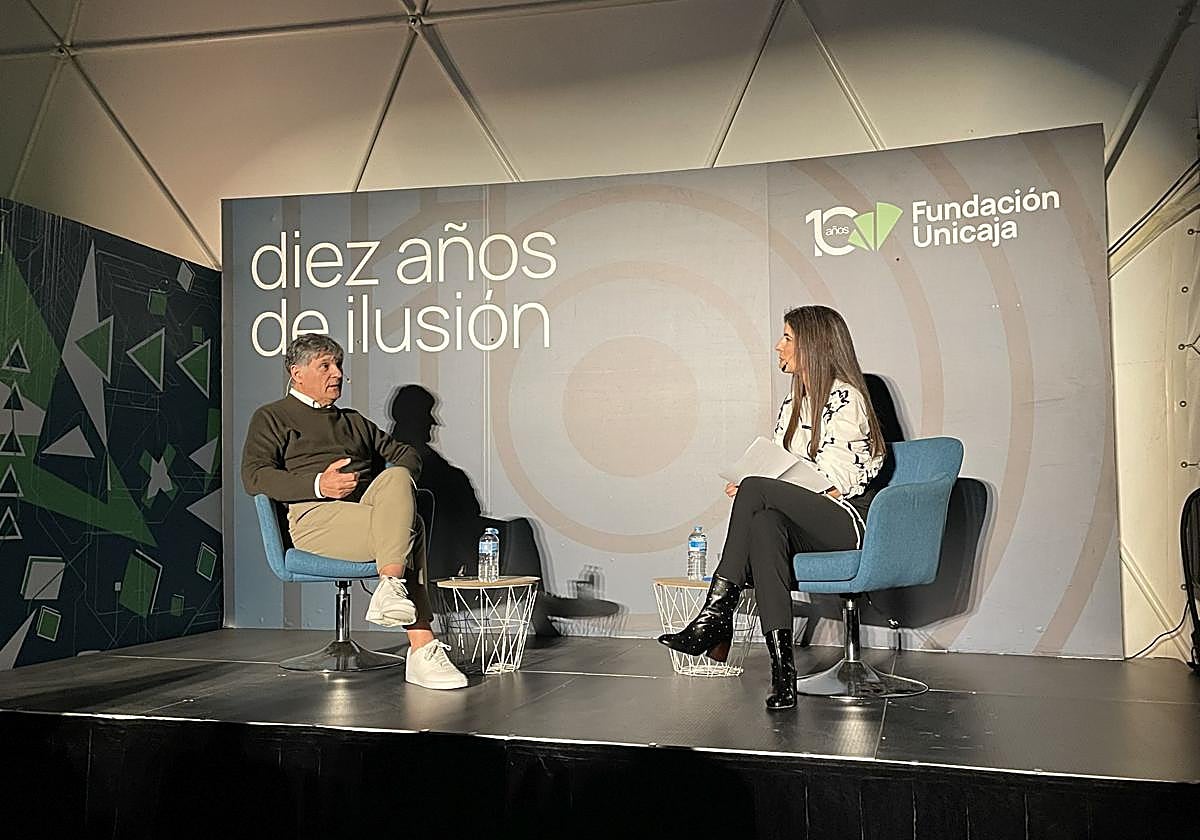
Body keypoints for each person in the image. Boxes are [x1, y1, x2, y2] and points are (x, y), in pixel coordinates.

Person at [658, 306, 886, 710]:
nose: (778, 346)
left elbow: (836, 482)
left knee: (757, 491)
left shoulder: (847, 399)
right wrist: (758, 484)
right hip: (802, 521)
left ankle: (716, 616)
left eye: (787, 338)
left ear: (812, 345)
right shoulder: (794, 402)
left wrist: (762, 486)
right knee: (763, 523)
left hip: (846, 521)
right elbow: (781, 465)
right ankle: (784, 676)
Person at [241, 334, 467, 690]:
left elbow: (406, 455)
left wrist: (383, 489)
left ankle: (390, 586)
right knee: (412, 527)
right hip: (313, 518)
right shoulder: (272, 417)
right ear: (297, 373)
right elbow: (254, 476)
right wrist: (320, 484)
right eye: (325, 366)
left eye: (339, 365)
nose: (337, 374)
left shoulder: (353, 421)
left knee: (397, 477)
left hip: (364, 514)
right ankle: (421, 647)